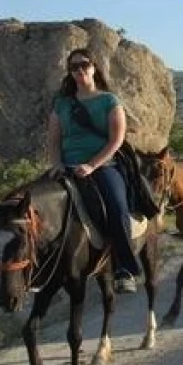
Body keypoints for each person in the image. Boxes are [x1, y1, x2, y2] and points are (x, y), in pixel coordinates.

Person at [47, 48, 141, 294]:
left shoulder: (109, 101)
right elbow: (54, 140)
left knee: (117, 207)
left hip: (102, 165)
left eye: (83, 65)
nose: (79, 70)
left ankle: (124, 268)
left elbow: (116, 140)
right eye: (73, 67)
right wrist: (57, 164)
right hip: (67, 166)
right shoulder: (62, 104)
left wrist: (91, 166)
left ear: (94, 67)